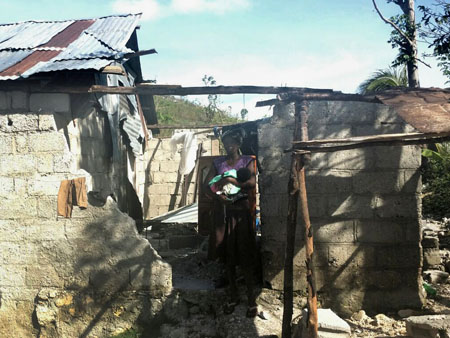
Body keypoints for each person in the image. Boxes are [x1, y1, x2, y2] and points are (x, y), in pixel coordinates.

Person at [204, 128, 258, 318]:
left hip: (240, 213)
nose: (228, 146)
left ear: (238, 144)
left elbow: (251, 183)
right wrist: (219, 196)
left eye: (231, 143)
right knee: (227, 256)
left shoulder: (247, 162)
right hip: (223, 212)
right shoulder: (217, 162)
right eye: (225, 143)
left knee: (244, 254)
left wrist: (231, 181)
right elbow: (207, 184)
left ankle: (252, 299)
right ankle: (233, 295)